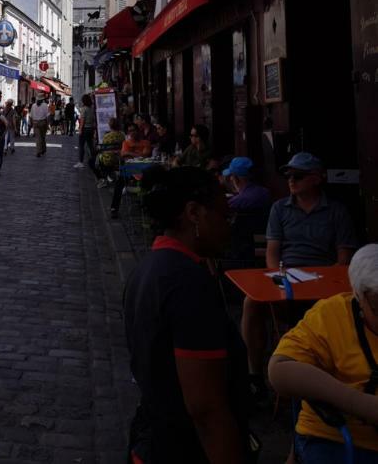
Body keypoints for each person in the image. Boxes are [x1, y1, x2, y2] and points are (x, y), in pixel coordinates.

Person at [124, 168, 254, 464]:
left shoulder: (148, 269)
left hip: (151, 441)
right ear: (194, 213)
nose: (228, 226)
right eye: (224, 216)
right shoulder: (186, 283)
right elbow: (206, 409)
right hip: (183, 450)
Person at [242, 152, 358, 399]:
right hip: (287, 277)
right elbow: (272, 251)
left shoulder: (336, 211)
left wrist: (327, 282)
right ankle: (254, 374)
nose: (291, 180)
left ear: (316, 179)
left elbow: (343, 257)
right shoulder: (279, 209)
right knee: (251, 302)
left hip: (322, 281)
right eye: (288, 175)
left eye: (298, 176)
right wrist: (277, 276)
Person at [269, 244, 378, 463]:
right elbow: (279, 369)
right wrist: (363, 405)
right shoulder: (333, 315)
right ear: (359, 295)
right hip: (336, 437)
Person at [95, 117, 126, 189]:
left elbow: (103, 148)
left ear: (110, 126)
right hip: (119, 158)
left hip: (108, 159)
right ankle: (109, 175)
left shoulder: (107, 136)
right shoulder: (122, 135)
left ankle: (103, 179)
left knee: (93, 160)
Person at [75, 94, 96, 171]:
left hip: (85, 129)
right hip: (91, 129)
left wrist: (80, 130)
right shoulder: (91, 109)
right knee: (90, 145)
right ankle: (94, 159)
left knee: (81, 145)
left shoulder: (84, 109)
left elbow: (82, 120)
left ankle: (80, 162)